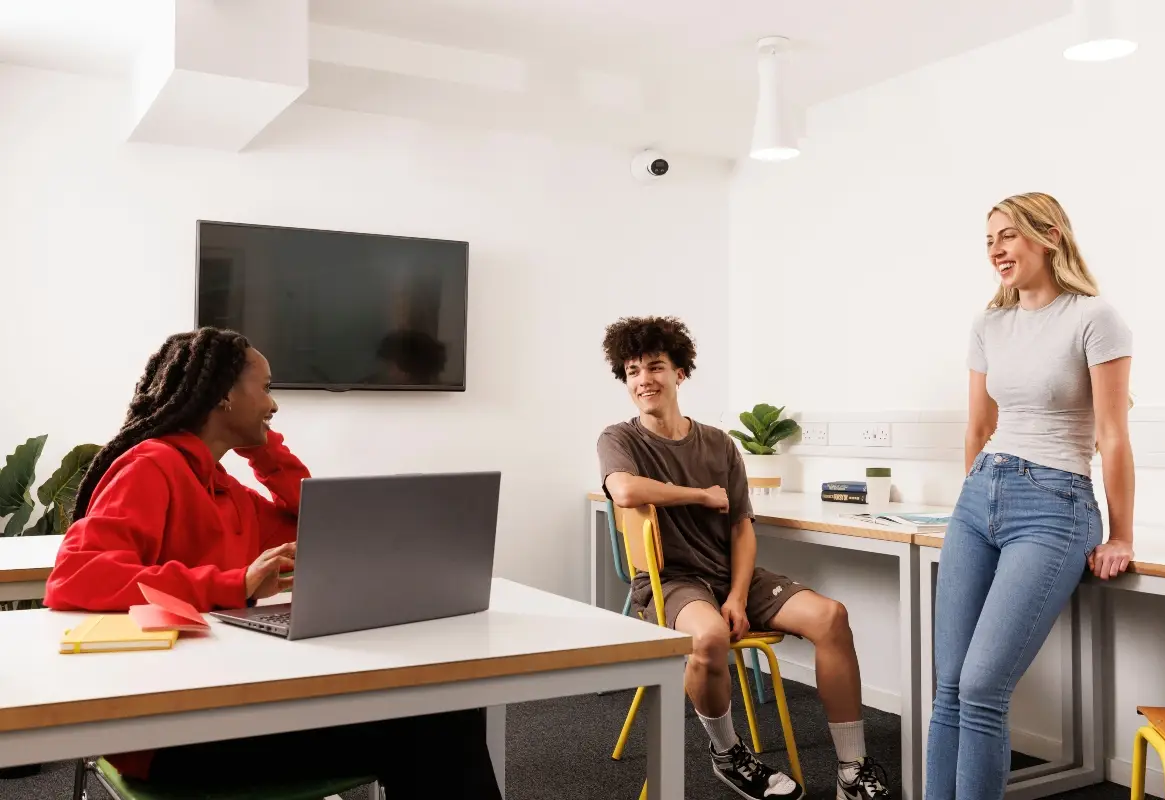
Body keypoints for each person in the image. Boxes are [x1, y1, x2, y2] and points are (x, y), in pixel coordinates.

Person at [43, 327, 501, 799]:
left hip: (233, 698)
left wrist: (263, 451)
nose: (273, 405)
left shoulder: (224, 488)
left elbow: (319, 527)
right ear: (223, 395)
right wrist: (234, 582)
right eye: (264, 389)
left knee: (447, 706)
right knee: (436, 723)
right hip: (171, 729)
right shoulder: (151, 466)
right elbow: (75, 576)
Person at [597, 316, 892, 800]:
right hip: (670, 582)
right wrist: (699, 494)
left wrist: (736, 596)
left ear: (680, 374)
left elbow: (741, 527)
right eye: (632, 371)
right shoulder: (619, 439)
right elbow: (624, 490)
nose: (643, 380)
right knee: (709, 636)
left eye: (655, 367)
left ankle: (852, 771)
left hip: (728, 576)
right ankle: (728, 754)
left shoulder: (719, 443)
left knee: (831, 617)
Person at [925, 192, 1135, 800]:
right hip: (979, 497)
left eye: (1008, 235)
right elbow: (976, 426)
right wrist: (973, 493)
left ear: (1048, 237)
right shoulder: (989, 323)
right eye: (989, 239)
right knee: (949, 684)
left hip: (1056, 505)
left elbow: (1113, 435)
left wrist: (1120, 532)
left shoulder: (1095, 317)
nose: (996, 249)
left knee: (983, 684)